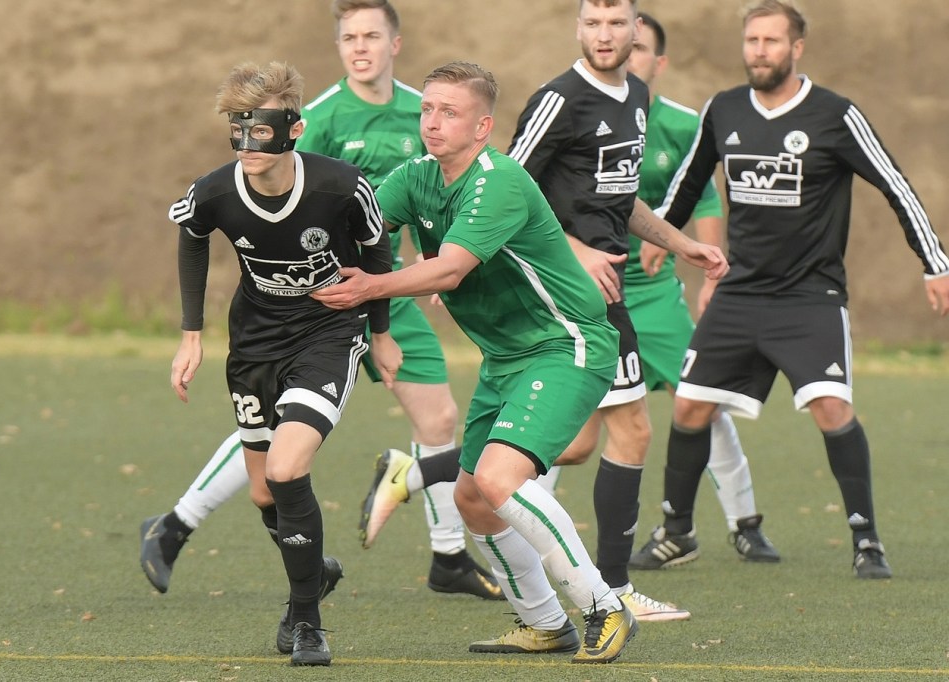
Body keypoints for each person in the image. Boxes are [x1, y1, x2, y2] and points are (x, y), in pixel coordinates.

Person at [314, 61, 726, 662]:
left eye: (449, 112)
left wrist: (370, 289)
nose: (432, 122)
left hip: (567, 345)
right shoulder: (415, 177)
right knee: (472, 498)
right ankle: (545, 623)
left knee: (501, 479)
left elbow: (450, 270)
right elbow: (354, 224)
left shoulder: (498, 181)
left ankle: (604, 605)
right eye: (426, 109)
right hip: (506, 358)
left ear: (482, 127)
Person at [141, 0, 503, 604]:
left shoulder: (426, 110)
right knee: (281, 434)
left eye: (371, 36)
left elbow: (433, 189)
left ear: (395, 44)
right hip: (310, 304)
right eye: (348, 37)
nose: (360, 47)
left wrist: (435, 263)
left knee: (439, 419)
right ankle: (179, 523)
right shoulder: (321, 118)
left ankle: (447, 556)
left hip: (385, 291)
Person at [629, 0, 949, 581]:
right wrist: (665, 236)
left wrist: (935, 262)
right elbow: (688, 182)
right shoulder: (723, 109)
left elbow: (896, 185)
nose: (759, 51)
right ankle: (677, 532)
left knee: (831, 408)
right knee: (690, 404)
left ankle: (866, 539)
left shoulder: (835, 114)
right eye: (752, 40)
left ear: (796, 48)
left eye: (771, 41)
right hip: (739, 293)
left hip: (809, 297)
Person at [165, 61, 401, 666]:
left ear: (294, 130)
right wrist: (191, 336)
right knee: (263, 492)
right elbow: (192, 237)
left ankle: (307, 621)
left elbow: (377, 250)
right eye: (237, 131)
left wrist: (380, 332)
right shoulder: (215, 191)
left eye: (261, 131)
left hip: (328, 332)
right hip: (254, 342)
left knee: (288, 468)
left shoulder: (341, 186)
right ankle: (315, 571)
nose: (247, 144)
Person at [503, 0, 695, 622]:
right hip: (570, 292)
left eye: (616, 23)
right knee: (632, 430)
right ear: (578, 28)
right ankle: (615, 588)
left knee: (576, 442)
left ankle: (423, 472)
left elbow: (620, 195)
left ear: (636, 28)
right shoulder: (558, 100)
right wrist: (577, 251)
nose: (604, 34)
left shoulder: (635, 94)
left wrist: (679, 242)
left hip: (609, 288)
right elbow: (504, 193)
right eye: (592, 23)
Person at [589, 11, 777, 569]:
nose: (630, 56)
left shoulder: (680, 123)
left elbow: (708, 199)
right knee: (572, 420)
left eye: (641, 48)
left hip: (653, 294)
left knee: (703, 401)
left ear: (659, 62)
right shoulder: (582, 112)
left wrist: (712, 278)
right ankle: (525, 528)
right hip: (590, 291)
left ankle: (745, 523)